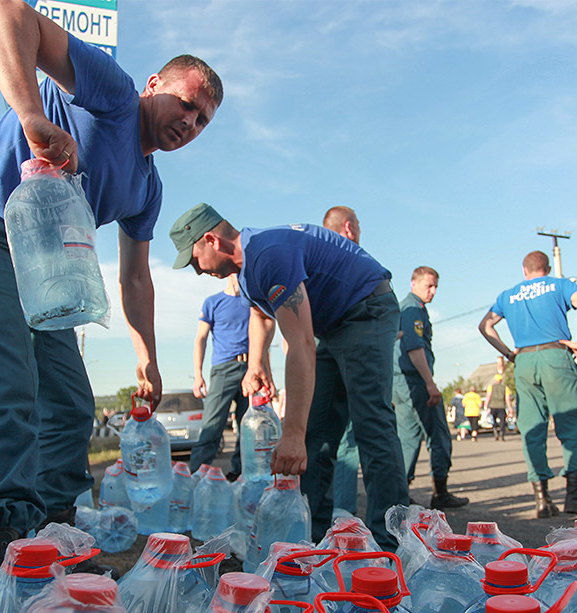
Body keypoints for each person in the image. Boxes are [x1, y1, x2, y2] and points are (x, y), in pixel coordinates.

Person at [0, 0, 222, 585]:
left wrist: (146, 356)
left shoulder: (146, 186)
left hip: (32, 265)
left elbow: (135, 277)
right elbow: (3, 9)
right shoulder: (113, 94)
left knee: (70, 403)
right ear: (155, 85)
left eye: (203, 120)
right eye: (185, 102)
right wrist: (30, 113)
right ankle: (4, 557)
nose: (190, 121)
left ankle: (54, 539)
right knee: (7, 384)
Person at [169, 203, 408, 550]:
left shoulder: (267, 253)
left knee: (370, 422)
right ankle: (311, 540)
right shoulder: (249, 268)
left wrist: (291, 431)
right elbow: (260, 315)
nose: (196, 272)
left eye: (193, 260)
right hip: (335, 325)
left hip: (366, 309)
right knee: (316, 436)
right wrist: (256, 363)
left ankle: (391, 544)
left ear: (211, 240)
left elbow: (300, 344)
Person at [479, 250, 577, 520]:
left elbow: (485, 326)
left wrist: (508, 353)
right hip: (554, 355)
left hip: (523, 361)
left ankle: (542, 499)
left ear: (525, 271)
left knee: (532, 428)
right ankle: (574, 496)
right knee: (572, 425)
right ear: (546, 268)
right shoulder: (560, 285)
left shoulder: (508, 295)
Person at [393, 267, 466, 509]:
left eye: (435, 287)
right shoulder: (413, 309)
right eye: (429, 286)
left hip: (401, 382)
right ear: (413, 283)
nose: (433, 292)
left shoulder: (405, 307)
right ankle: (440, 492)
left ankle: (400, 493)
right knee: (439, 435)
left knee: (408, 439)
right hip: (415, 380)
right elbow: (414, 347)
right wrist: (430, 383)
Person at [323, 206, 365, 515]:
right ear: (349, 227)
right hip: (349, 358)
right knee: (350, 443)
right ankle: (344, 518)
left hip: (316, 358)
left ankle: (319, 518)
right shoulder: (354, 259)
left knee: (319, 438)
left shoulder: (312, 259)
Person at [189, 275, 250, 478]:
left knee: (249, 428)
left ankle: (241, 476)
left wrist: (264, 370)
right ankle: (196, 478)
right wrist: (198, 375)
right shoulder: (213, 302)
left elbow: (263, 337)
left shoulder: (252, 302)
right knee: (212, 427)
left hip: (251, 367)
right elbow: (201, 338)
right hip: (224, 369)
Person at [485, 357, 514, 440]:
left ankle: (495, 431)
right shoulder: (505, 388)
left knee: (493, 420)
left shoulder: (491, 387)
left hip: (493, 406)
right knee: (502, 421)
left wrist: (486, 406)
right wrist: (510, 408)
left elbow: (488, 396)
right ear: (501, 380)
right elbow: (508, 399)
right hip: (501, 406)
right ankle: (502, 433)